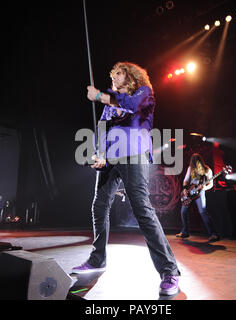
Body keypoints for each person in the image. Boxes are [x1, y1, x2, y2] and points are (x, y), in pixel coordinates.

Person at [73, 62, 181, 296]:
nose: (113, 78)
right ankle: (97, 258)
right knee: (99, 206)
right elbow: (102, 128)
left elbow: (132, 106)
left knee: (142, 209)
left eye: (118, 74)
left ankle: (169, 271)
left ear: (131, 76)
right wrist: (99, 153)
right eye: (111, 75)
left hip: (134, 153)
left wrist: (101, 95)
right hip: (110, 159)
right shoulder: (110, 99)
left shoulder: (143, 93)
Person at [176, 153, 220, 242]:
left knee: (203, 212)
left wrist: (204, 187)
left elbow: (210, 184)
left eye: (197, 160)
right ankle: (185, 232)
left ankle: (213, 234)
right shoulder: (190, 168)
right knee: (183, 211)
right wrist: (185, 189)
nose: (195, 163)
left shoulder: (207, 170)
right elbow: (185, 180)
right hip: (190, 192)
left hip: (200, 193)